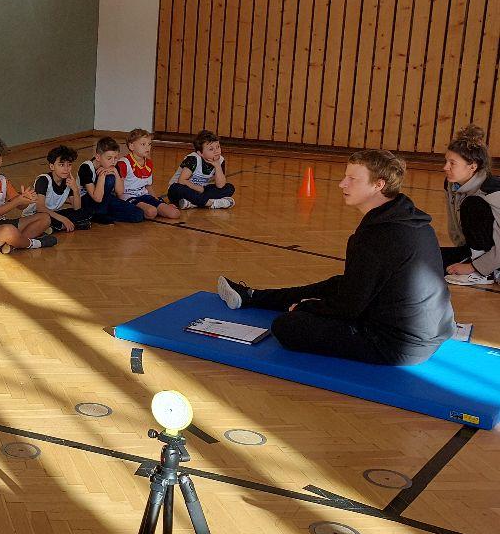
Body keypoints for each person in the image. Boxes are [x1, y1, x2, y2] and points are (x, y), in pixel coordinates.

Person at [217, 149, 454, 365]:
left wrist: (306, 307)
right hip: (433, 331)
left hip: (397, 344)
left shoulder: (375, 236)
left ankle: (259, 299)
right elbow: (357, 289)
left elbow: (349, 308)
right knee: (335, 284)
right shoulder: (411, 219)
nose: (342, 184)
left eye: (352, 179)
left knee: (286, 326)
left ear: (378, 185)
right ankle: (253, 296)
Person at [0, 137, 57, 253]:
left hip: (3, 223)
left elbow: (20, 206)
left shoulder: (3, 180)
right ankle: (36, 243)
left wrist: (26, 200)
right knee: (8, 230)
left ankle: (13, 244)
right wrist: (17, 201)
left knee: (44, 218)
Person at [439, 125, 500, 286]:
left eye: (452, 163)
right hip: (475, 252)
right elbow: (456, 228)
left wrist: (474, 267)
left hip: (494, 256)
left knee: (472, 204)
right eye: (446, 161)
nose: (445, 167)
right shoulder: (451, 184)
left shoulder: (492, 192)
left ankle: (485, 273)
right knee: (426, 259)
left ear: (472, 167)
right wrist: (463, 256)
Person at [26, 145, 95, 233]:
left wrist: (75, 190)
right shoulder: (44, 180)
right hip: (35, 215)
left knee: (87, 211)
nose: (66, 169)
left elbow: (77, 208)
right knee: (47, 218)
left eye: (69, 165)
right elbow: (40, 208)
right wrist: (63, 219)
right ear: (52, 166)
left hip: (52, 214)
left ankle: (53, 228)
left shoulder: (68, 181)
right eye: (61, 165)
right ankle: (63, 226)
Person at [118, 129, 181, 220]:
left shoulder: (149, 163)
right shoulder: (124, 163)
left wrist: (159, 202)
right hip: (129, 197)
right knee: (151, 212)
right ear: (131, 146)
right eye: (143, 144)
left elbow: (148, 186)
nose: (147, 147)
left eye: (149, 144)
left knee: (175, 213)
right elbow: (118, 191)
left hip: (144, 195)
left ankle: (149, 209)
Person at [79, 137, 145, 224]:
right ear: (98, 157)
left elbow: (120, 192)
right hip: (88, 200)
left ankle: (97, 214)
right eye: (109, 158)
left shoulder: (113, 166)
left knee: (138, 214)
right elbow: (97, 198)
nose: (113, 162)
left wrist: (116, 172)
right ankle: (98, 213)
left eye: (116, 158)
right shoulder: (86, 168)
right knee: (109, 178)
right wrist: (102, 177)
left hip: (106, 199)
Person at [168, 130, 236, 210]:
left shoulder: (220, 160)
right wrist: (198, 188)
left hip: (200, 190)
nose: (216, 151)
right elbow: (182, 181)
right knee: (177, 188)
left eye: (218, 147)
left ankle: (192, 204)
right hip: (182, 189)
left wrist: (217, 165)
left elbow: (220, 185)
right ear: (200, 153)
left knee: (229, 188)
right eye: (211, 149)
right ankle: (211, 203)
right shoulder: (193, 159)